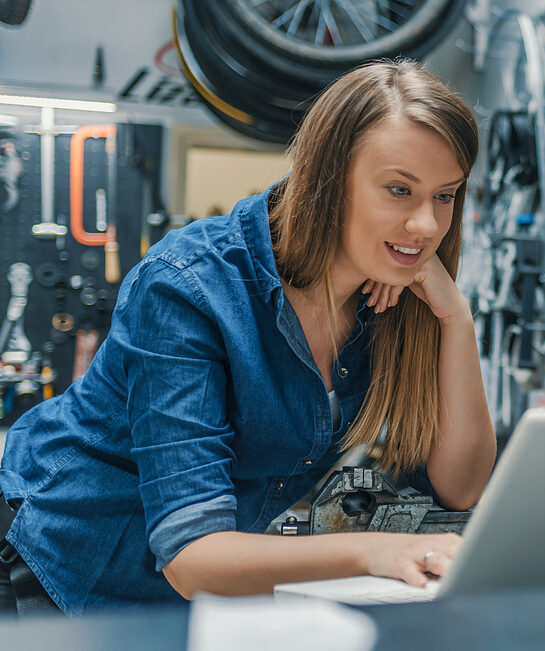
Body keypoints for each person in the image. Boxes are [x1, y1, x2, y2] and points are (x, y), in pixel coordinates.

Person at [0, 59, 496, 617]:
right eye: (400, 190)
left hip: (173, 598)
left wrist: (456, 319)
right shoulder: (189, 286)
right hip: (50, 570)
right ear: (330, 181)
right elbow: (193, 555)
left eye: (445, 196)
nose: (427, 226)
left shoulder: (391, 294)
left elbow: (460, 488)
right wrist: (378, 551)